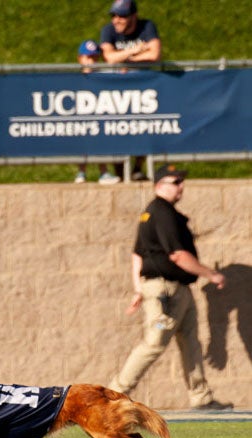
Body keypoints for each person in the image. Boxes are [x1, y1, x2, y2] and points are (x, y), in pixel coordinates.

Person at [108, 164, 233, 411]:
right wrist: (211, 274)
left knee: (191, 343)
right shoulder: (161, 212)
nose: (181, 186)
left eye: (181, 181)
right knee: (154, 343)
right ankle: (113, 396)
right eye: (175, 182)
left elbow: (138, 254)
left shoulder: (156, 213)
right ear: (159, 186)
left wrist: (138, 289)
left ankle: (201, 397)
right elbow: (177, 255)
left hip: (178, 290)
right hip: (165, 291)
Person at [100, 0, 162, 181]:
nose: (116, 20)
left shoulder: (147, 27)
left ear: (134, 16)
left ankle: (137, 168)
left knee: (144, 126)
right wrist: (135, 50)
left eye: (122, 16)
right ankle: (120, 172)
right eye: (114, 15)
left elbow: (154, 54)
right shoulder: (108, 30)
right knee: (115, 129)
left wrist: (125, 59)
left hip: (142, 88)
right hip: (116, 90)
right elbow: (109, 58)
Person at [74, 40, 121, 185]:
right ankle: (81, 173)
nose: (91, 61)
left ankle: (104, 172)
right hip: (82, 115)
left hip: (99, 114)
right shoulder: (74, 79)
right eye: (88, 57)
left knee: (100, 138)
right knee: (82, 140)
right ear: (80, 58)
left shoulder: (104, 76)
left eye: (94, 57)